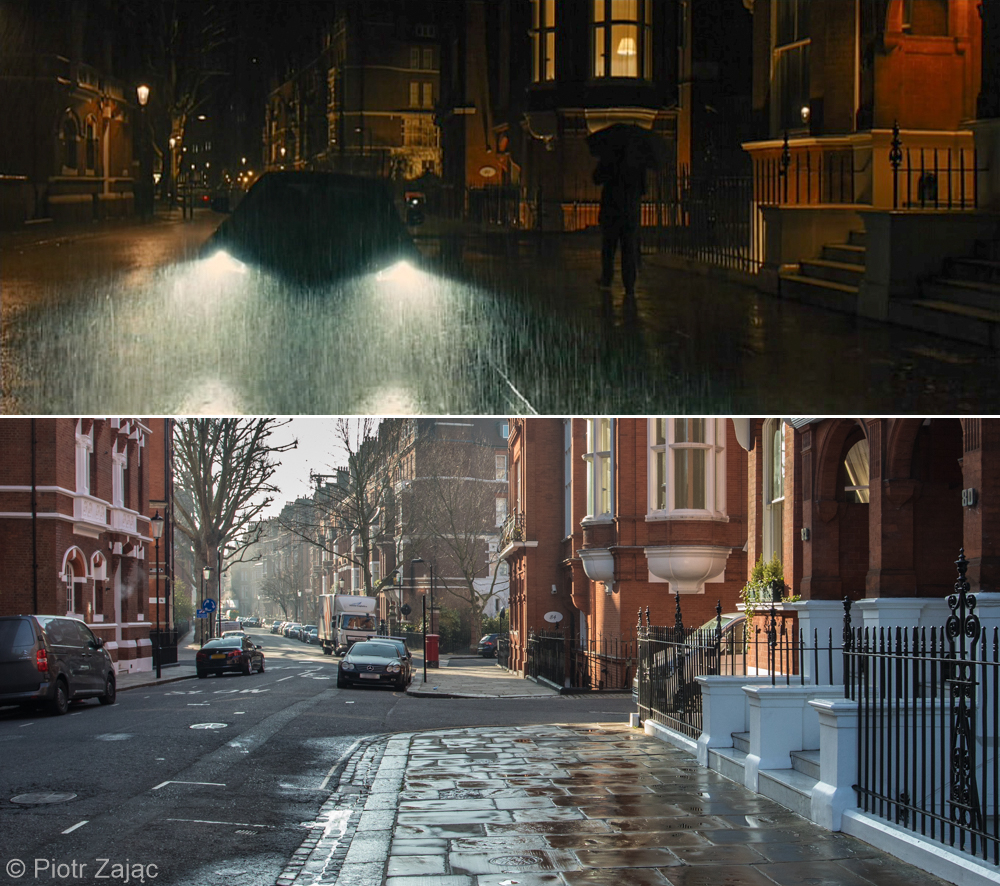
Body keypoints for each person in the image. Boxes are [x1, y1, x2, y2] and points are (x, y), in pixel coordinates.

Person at [594, 153, 645, 297]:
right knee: (628, 249)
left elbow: (596, 178)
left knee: (608, 249)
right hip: (629, 211)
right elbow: (643, 189)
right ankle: (629, 284)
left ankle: (607, 279)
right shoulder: (637, 159)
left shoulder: (609, 157)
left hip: (611, 210)